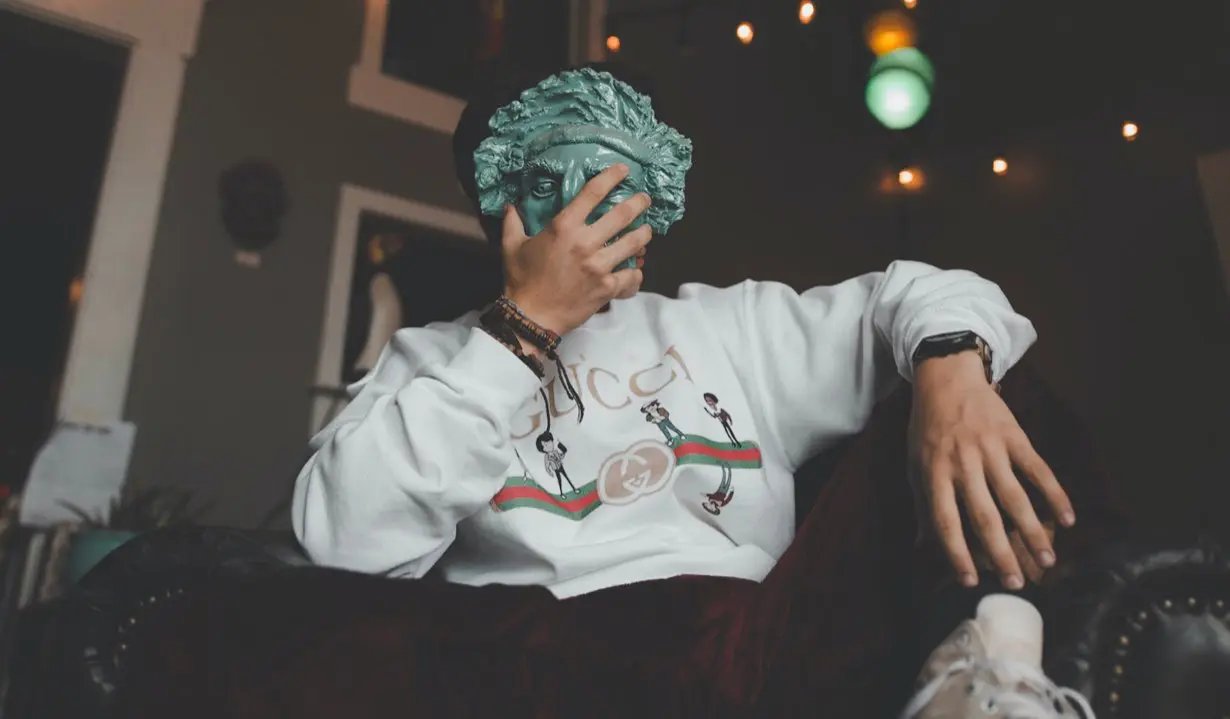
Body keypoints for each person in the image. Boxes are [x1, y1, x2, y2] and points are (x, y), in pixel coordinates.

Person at [292, 65, 1075, 603]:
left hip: (744, 655)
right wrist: (525, 325)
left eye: (613, 187)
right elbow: (344, 546)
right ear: (500, 209)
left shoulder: (731, 328)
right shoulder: (429, 363)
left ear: (654, 207)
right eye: (549, 184)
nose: (582, 217)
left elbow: (928, 293)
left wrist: (952, 376)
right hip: (539, 664)